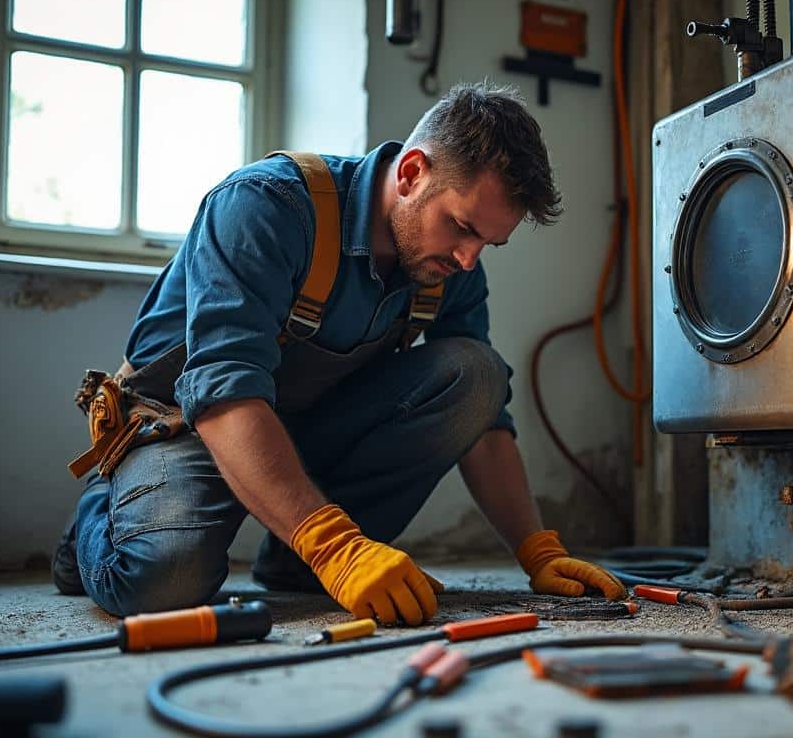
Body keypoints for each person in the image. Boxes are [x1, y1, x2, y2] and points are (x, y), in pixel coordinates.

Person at [52, 82, 626, 625]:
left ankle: (300, 567)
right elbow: (225, 392)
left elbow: (484, 418)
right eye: (460, 227)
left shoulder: (449, 265)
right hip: (186, 424)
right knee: (163, 583)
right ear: (411, 173)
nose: (468, 259)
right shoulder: (264, 206)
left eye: (487, 243)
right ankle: (99, 519)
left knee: (476, 373)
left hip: (304, 422)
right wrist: (339, 548)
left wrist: (538, 551)